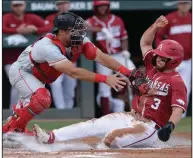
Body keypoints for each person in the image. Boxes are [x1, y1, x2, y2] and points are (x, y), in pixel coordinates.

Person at [32, 15, 187, 148]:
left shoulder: (176, 81)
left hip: (149, 127)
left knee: (111, 138)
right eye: (159, 54)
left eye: (163, 57)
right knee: (93, 124)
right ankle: (51, 137)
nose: (159, 58)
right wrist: (154, 26)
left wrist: (169, 126)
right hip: (132, 116)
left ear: (174, 61)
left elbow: (178, 109)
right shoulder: (152, 67)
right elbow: (145, 43)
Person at [3, 12, 142, 134]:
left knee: (29, 107)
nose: (79, 34)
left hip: (38, 76)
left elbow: (101, 57)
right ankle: (14, 131)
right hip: (23, 72)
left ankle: (10, 129)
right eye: (74, 30)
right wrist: (105, 78)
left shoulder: (78, 41)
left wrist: (127, 72)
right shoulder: (47, 46)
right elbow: (73, 72)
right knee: (41, 99)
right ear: (62, 31)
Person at [86, 0, 135, 115]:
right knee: (104, 87)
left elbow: (124, 37)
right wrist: (101, 29)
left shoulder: (117, 20)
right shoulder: (92, 20)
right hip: (102, 57)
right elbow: (82, 26)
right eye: (99, 6)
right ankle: (106, 116)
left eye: (104, 6)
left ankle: (138, 111)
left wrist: (125, 50)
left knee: (133, 76)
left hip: (119, 54)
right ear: (95, 8)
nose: (102, 8)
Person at [3, 0, 50, 108]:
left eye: (20, 5)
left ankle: (24, 111)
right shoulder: (7, 17)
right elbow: (2, 27)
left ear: (24, 6)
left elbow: (47, 27)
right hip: (11, 60)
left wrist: (35, 29)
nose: (18, 8)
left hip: (30, 60)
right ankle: (13, 111)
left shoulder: (31, 17)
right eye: (15, 5)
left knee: (31, 86)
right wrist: (17, 30)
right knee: (17, 84)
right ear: (12, 6)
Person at [155, 0, 191, 117]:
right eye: (182, 3)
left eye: (186, 3)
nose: (184, 5)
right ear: (177, 4)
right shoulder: (170, 18)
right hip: (171, 61)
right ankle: (161, 114)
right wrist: (163, 52)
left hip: (187, 59)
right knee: (165, 86)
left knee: (185, 88)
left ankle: (179, 117)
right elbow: (159, 36)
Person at [45, 0, 77, 109]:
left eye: (65, 3)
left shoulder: (75, 19)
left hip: (70, 59)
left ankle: (69, 111)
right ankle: (61, 110)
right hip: (55, 59)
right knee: (56, 84)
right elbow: (45, 31)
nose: (63, 6)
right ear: (57, 6)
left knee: (70, 87)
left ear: (69, 5)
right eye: (60, 4)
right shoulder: (50, 19)